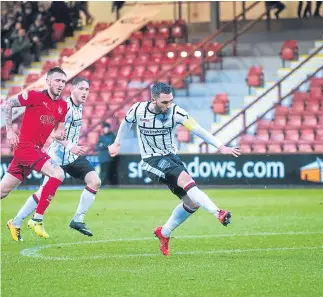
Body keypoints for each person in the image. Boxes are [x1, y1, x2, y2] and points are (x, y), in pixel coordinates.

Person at [108, 82, 241, 256]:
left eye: (170, 101)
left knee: (192, 203)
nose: (168, 105)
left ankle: (164, 232)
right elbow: (126, 123)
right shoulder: (138, 110)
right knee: (185, 179)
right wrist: (117, 142)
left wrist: (220, 146)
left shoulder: (176, 112)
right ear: (153, 100)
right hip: (151, 160)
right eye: (164, 102)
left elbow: (197, 129)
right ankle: (218, 212)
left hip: (171, 158)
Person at [7, 77, 100, 242]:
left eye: (87, 90)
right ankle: (17, 221)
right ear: (72, 89)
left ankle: (77, 220)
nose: (85, 93)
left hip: (72, 157)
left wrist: (72, 148)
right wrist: (70, 145)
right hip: (57, 156)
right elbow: (52, 131)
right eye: (81, 89)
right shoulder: (64, 107)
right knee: (43, 194)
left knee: (95, 181)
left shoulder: (80, 106)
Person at [1, 67, 70, 239]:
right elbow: (8, 104)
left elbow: (57, 133)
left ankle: (15, 223)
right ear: (48, 81)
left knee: (2, 191)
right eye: (57, 80)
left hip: (34, 151)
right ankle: (37, 219)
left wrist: (61, 136)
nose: (60, 84)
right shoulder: (35, 96)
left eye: (63, 81)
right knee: (58, 174)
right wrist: (9, 131)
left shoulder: (63, 106)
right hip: (25, 147)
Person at [96, 122, 117, 186]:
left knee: (105, 172)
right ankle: (101, 183)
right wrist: (106, 145)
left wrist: (103, 145)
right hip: (101, 157)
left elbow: (111, 145)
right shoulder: (101, 137)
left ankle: (101, 184)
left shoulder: (112, 136)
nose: (106, 129)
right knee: (102, 171)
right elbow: (97, 146)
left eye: (107, 128)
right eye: (105, 128)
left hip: (108, 157)